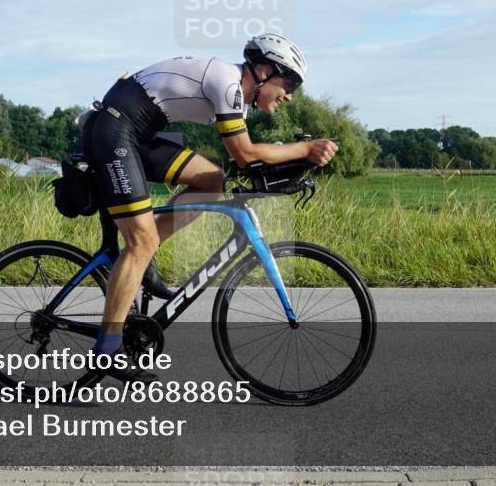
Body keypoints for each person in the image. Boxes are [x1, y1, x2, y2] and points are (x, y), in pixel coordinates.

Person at [78, 34, 338, 379]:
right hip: (114, 131)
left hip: (137, 134)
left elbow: (247, 160)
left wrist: (292, 164)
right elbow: (245, 154)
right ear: (264, 71)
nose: (289, 95)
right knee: (141, 242)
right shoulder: (227, 82)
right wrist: (304, 150)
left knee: (212, 181)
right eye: (288, 83)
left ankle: (144, 258)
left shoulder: (235, 95)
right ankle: (107, 349)